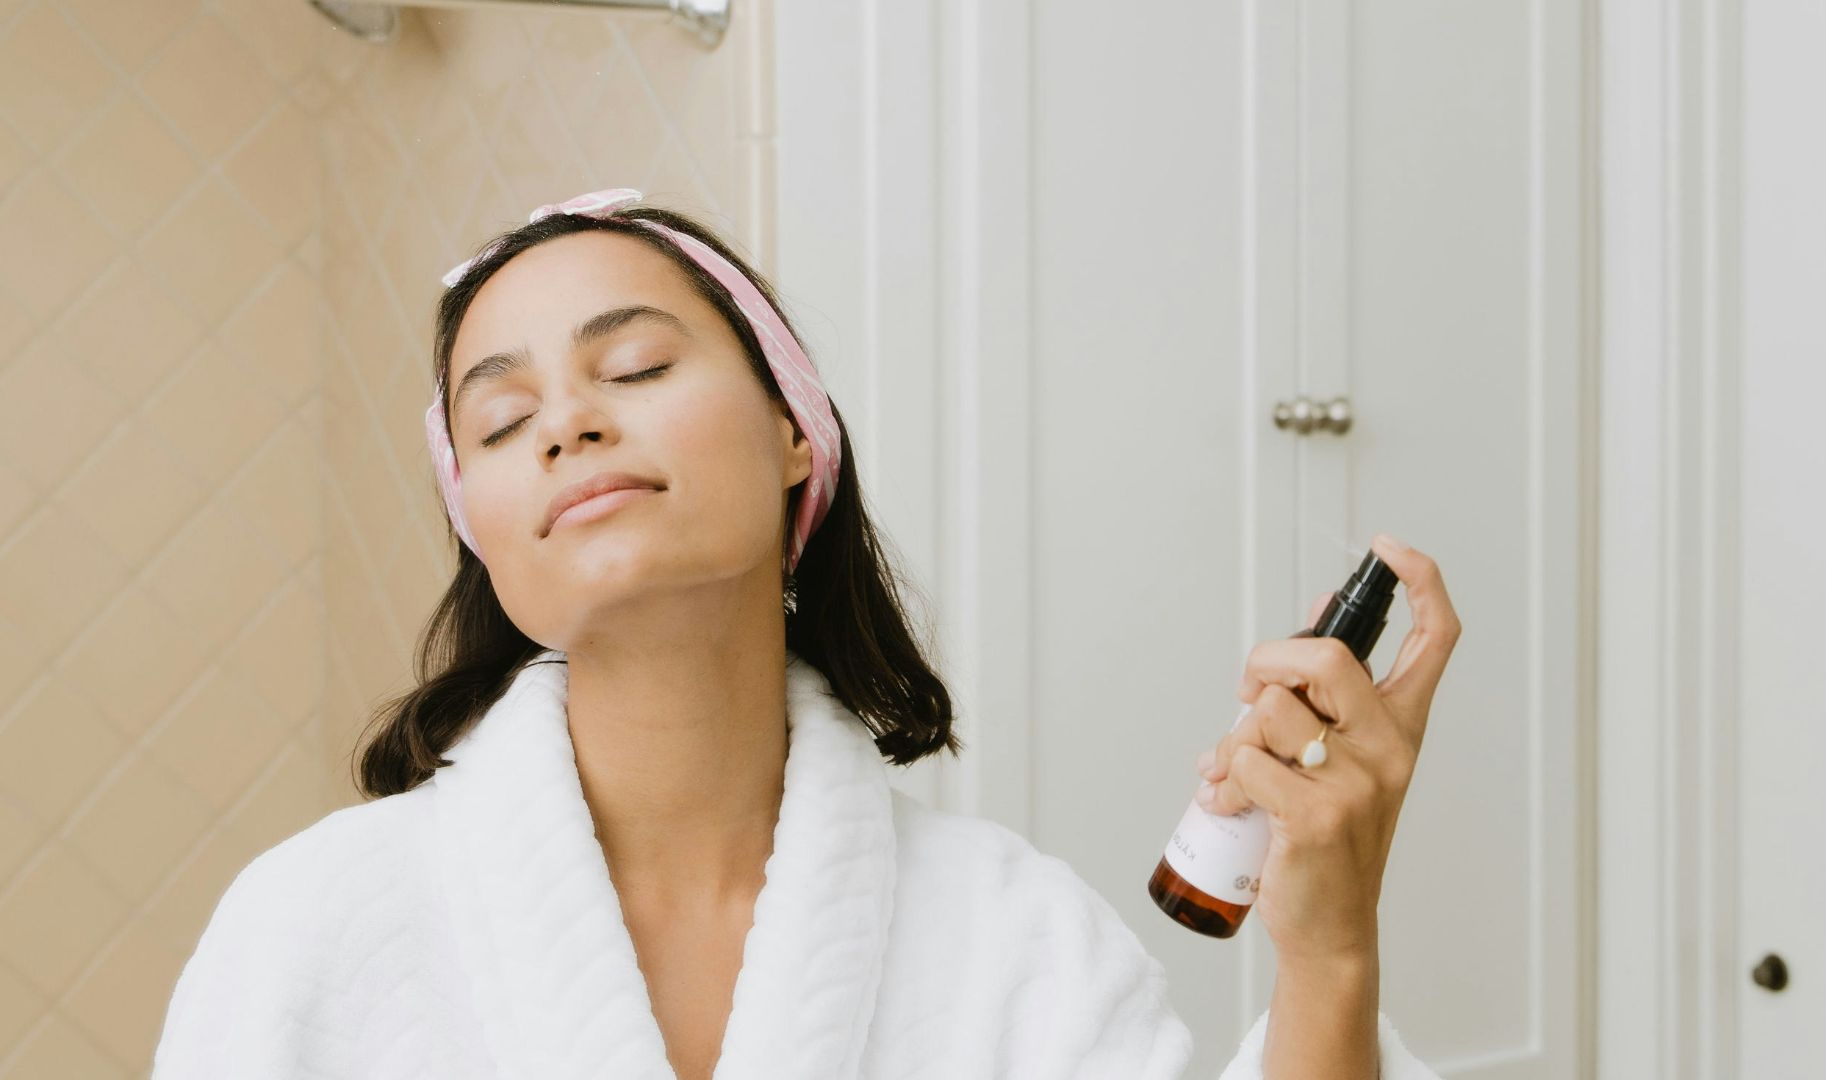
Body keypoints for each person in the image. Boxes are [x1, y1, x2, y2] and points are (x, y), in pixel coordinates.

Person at [149, 189, 1457, 1079]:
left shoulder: (1015, 938)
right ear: (485, 538)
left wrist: (1331, 951)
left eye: (639, 366)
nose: (565, 424)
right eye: (499, 425)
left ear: (795, 434)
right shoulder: (311, 927)